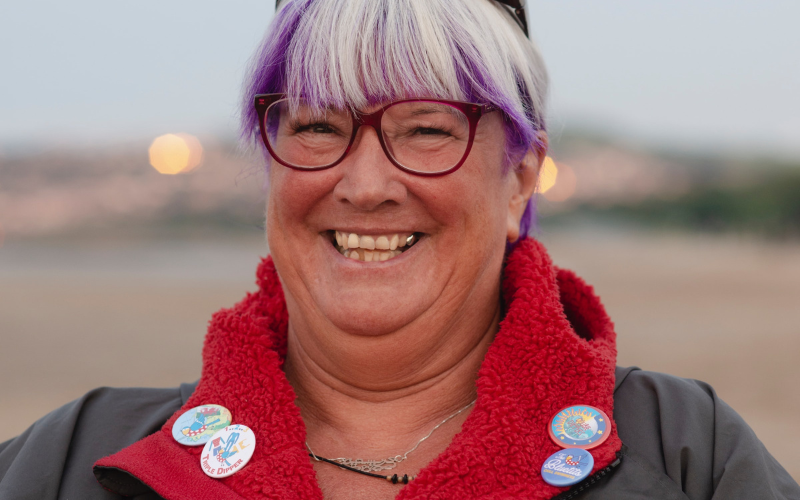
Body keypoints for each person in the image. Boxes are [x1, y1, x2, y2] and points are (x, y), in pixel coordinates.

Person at [1, 0, 798, 499]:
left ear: (521, 173)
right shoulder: (72, 460)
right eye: (317, 126)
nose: (366, 182)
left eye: (427, 130)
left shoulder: (691, 456)